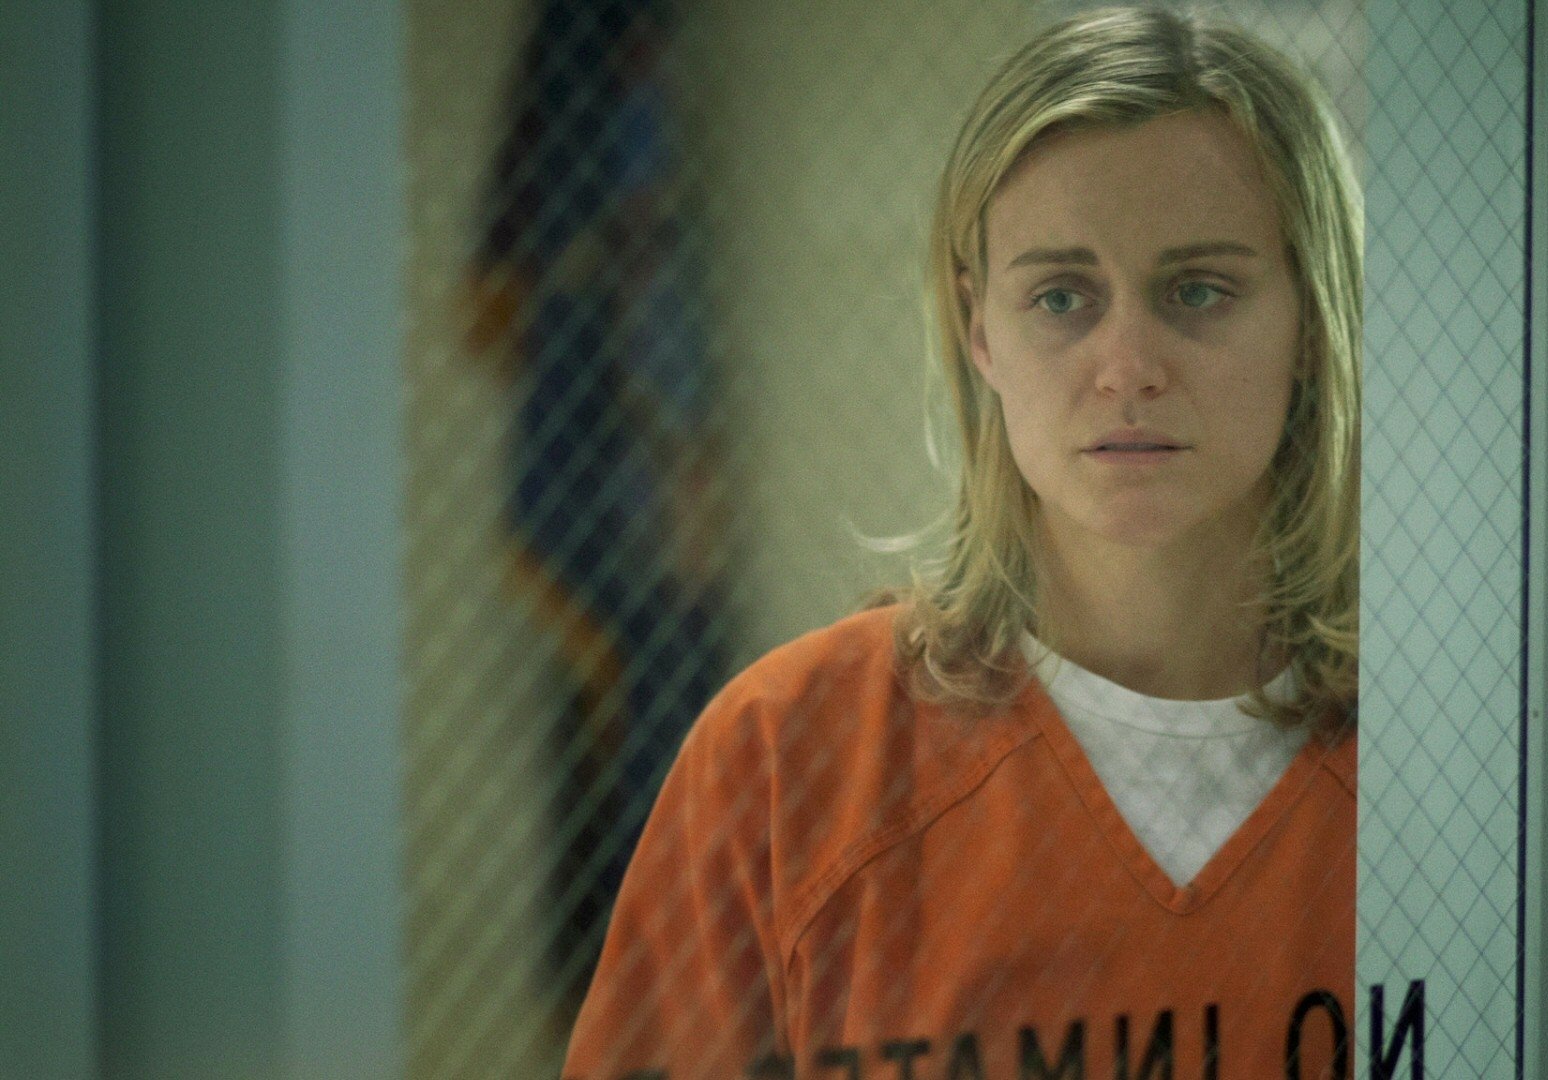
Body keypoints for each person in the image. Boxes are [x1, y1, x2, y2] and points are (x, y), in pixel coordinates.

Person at [563, 6, 1361, 1078]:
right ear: (979, 326)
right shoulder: (784, 761)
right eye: (1063, 297)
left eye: (1199, 290)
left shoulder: (1469, 761)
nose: (1127, 364)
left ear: (1310, 321)